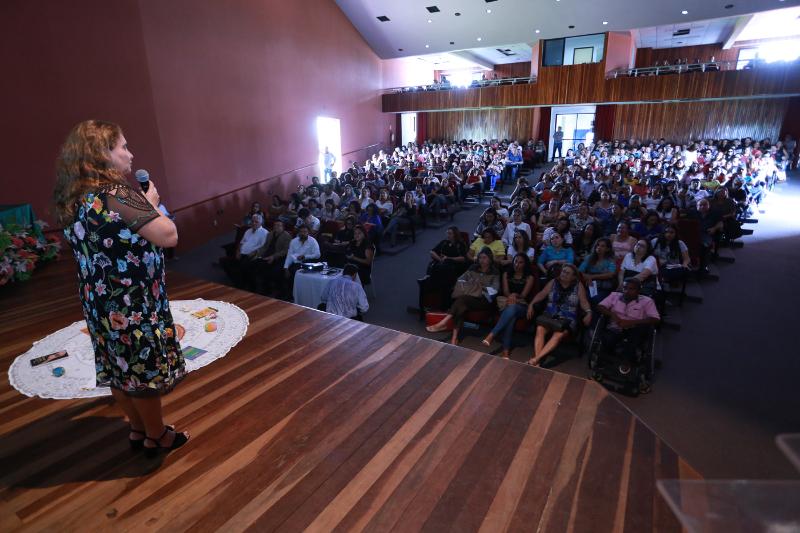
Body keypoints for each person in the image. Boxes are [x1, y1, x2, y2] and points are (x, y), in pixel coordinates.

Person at [53, 120, 189, 456]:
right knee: (142, 371)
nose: (130, 154)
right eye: (123, 147)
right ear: (102, 153)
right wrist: (150, 202)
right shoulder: (118, 194)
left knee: (118, 368)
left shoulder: (74, 199)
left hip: (98, 301)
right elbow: (169, 235)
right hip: (132, 301)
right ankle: (157, 436)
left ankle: (138, 429)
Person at [426, 247, 500, 345]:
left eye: (484, 258)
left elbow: (495, 290)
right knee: (461, 306)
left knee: (461, 301)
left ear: (490, 259)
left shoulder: (494, 272)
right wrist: (471, 284)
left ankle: (443, 323)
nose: (482, 260)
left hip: (483, 300)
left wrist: (482, 288)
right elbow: (460, 279)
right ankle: (454, 339)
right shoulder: (473, 268)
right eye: (480, 257)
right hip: (469, 296)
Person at [526, 263, 592, 366]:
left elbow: (584, 302)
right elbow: (542, 294)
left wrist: (589, 312)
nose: (564, 274)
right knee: (540, 329)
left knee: (559, 334)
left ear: (573, 277)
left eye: (567, 273)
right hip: (550, 313)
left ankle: (536, 359)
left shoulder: (578, 285)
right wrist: (531, 304)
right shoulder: (553, 282)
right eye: (563, 271)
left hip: (568, 318)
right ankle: (537, 361)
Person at [597, 278, 660, 375]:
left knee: (637, 335)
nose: (627, 291)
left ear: (638, 290)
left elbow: (655, 319)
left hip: (635, 329)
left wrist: (630, 322)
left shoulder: (647, 301)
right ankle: (605, 361)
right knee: (607, 338)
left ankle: (627, 361)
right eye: (625, 288)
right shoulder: (614, 296)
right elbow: (600, 306)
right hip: (616, 327)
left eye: (631, 289)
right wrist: (613, 315)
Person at [482, 253, 537, 358]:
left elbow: (524, 295)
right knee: (511, 317)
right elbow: (506, 291)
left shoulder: (529, 277)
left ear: (525, 264)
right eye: (515, 261)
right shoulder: (506, 274)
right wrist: (511, 296)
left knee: (513, 308)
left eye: (520, 262)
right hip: (507, 302)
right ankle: (505, 351)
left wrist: (515, 295)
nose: (517, 264)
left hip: (521, 305)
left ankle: (492, 335)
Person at [221, 213, 268, 288]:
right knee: (224, 261)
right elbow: (241, 242)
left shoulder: (265, 233)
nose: (253, 223)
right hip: (241, 253)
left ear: (260, 223)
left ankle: (241, 285)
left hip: (252, 256)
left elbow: (263, 247)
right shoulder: (248, 231)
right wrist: (238, 251)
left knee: (242, 266)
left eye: (256, 222)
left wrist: (253, 253)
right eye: (252, 221)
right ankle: (237, 281)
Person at [427, 226, 469, 307]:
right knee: (436, 268)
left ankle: (443, 301)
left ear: (455, 235)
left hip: (454, 266)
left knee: (442, 274)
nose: (448, 235)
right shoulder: (444, 242)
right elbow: (432, 252)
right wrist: (440, 259)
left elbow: (463, 258)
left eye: (450, 233)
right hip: (442, 264)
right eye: (447, 233)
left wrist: (448, 258)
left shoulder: (460, 244)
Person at [249, 219, 291, 296]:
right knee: (252, 264)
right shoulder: (270, 234)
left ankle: (272, 290)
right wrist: (257, 253)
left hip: (278, 257)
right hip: (266, 256)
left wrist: (273, 257)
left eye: (279, 225)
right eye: (275, 225)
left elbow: (285, 251)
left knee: (272, 271)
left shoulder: (287, 236)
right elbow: (265, 247)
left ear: (283, 227)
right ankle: (255, 288)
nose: (276, 227)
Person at [284, 225, 321, 298]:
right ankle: (288, 294)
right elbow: (289, 255)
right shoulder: (293, 241)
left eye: (305, 232)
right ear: (298, 233)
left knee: (294, 272)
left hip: (308, 263)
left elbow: (318, 255)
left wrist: (305, 256)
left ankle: (296, 295)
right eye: (301, 232)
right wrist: (286, 267)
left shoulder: (313, 241)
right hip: (296, 263)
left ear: (308, 233)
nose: (303, 233)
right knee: (284, 271)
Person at [578, 237, 617, 304]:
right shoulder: (589, 257)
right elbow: (579, 271)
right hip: (589, 284)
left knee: (596, 299)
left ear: (607, 249)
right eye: (598, 245)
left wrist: (592, 277)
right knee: (584, 298)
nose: (599, 247)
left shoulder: (611, 260)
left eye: (602, 246)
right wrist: (587, 277)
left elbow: (611, 274)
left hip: (604, 286)